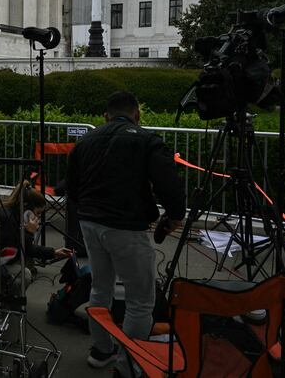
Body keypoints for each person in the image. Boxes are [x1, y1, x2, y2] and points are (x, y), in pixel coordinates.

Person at [66, 91, 185, 375]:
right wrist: (174, 215)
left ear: (105, 116)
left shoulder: (85, 141)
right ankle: (128, 366)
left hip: (90, 223)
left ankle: (101, 350)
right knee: (141, 300)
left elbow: (72, 186)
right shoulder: (146, 139)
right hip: (127, 227)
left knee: (100, 289)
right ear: (137, 114)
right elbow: (169, 183)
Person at [0, 181, 71, 293]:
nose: (38, 218)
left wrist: (53, 252)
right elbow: (11, 256)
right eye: (38, 213)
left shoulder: (10, 214)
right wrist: (29, 232)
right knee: (25, 275)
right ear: (27, 209)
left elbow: (24, 248)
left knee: (23, 267)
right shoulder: (6, 219)